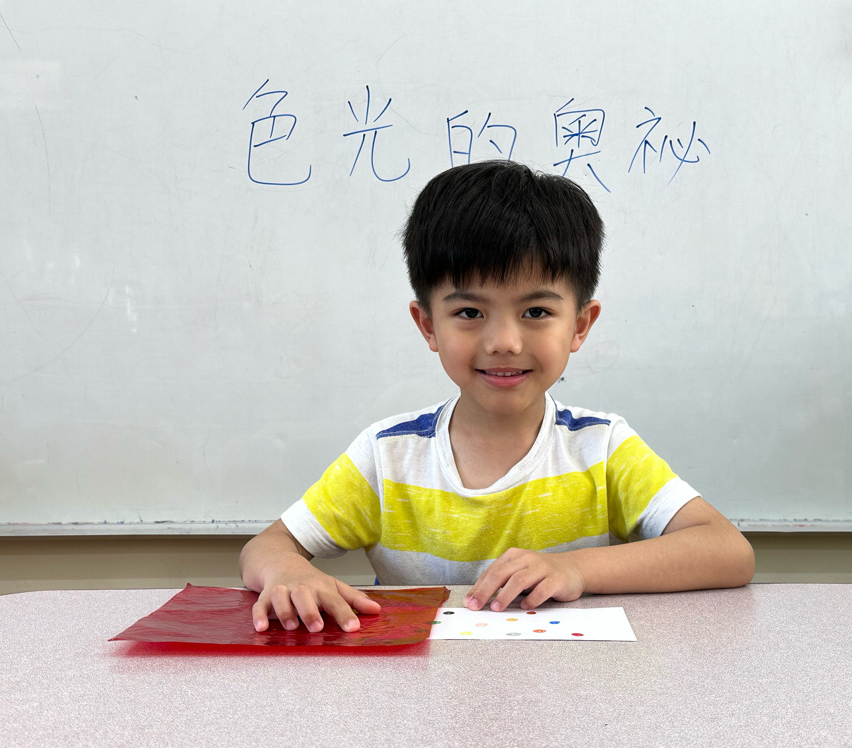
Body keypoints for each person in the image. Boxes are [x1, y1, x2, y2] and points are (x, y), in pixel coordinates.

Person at [239, 160, 755, 633]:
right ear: (427, 324)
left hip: (570, 688)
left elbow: (727, 550)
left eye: (536, 312)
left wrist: (575, 569)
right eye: (469, 313)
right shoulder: (388, 455)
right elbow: (267, 546)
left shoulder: (601, 448)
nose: (504, 341)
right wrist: (287, 571)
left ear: (580, 325)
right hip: (418, 691)